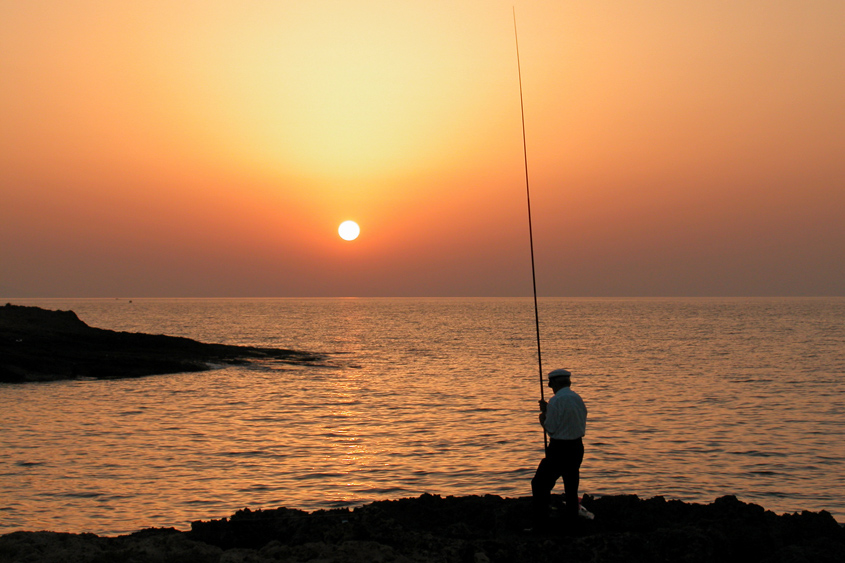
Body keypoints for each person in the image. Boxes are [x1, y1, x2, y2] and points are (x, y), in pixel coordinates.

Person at [531, 368, 588, 526]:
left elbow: (552, 428)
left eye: (550, 384)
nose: (550, 386)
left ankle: (541, 523)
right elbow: (571, 419)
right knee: (571, 487)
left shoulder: (556, 401)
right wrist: (548, 410)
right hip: (576, 447)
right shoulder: (577, 399)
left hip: (559, 449)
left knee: (540, 484)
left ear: (555, 383)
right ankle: (572, 522)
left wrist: (543, 417)